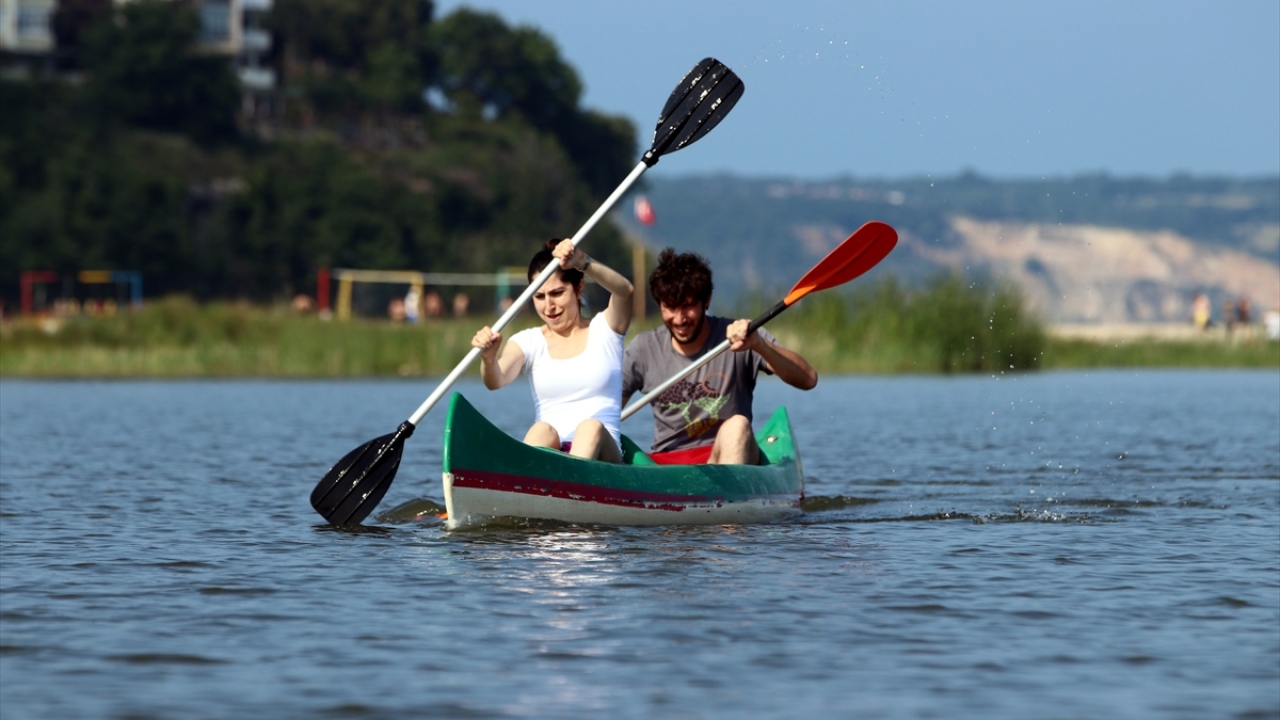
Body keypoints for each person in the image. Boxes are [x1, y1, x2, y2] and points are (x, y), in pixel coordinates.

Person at [621, 248, 817, 465]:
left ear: (707, 300)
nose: (679, 319)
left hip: (729, 455)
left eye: (687, 306)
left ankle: (728, 497)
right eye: (669, 307)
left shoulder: (742, 335)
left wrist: (760, 345)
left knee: (737, 425)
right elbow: (606, 409)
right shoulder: (643, 348)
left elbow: (808, 379)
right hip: (669, 465)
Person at [471, 239, 634, 462]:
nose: (549, 306)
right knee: (541, 431)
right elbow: (495, 381)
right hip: (554, 453)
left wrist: (583, 262)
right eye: (539, 296)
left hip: (604, 456)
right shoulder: (527, 341)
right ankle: (526, 486)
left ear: (578, 288)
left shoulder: (606, 329)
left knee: (589, 428)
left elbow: (625, 291)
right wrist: (489, 359)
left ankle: (569, 485)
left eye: (557, 293)